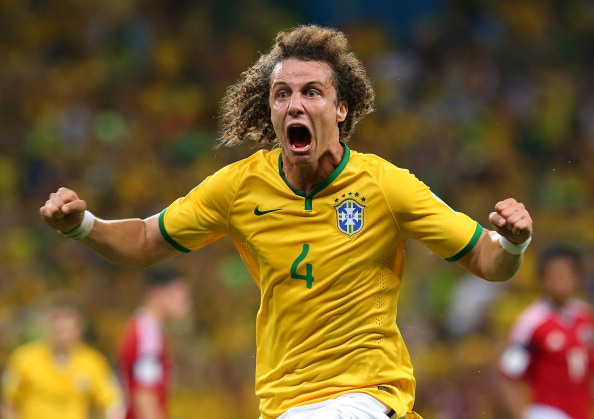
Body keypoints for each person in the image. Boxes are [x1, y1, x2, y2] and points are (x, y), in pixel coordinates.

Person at [39, 25, 533, 419]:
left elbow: (484, 259)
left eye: (312, 92)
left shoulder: (386, 185)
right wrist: (84, 225)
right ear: (271, 110)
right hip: (283, 403)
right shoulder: (238, 188)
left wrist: (510, 244)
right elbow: (147, 239)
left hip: (366, 395)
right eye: (282, 94)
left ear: (341, 109)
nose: (294, 103)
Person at [498, 246, 593, 419]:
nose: (558, 282)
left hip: (581, 412)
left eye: (563, 276)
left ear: (576, 278)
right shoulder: (531, 323)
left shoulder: (585, 319)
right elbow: (509, 374)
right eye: (553, 276)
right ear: (541, 279)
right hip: (546, 411)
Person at [1, 298, 123, 419]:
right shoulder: (24, 358)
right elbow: (8, 401)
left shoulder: (92, 362)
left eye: (67, 330)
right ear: (50, 327)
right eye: (59, 330)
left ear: (79, 329)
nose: (63, 336)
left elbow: (111, 404)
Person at [117, 268, 191, 419]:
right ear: (157, 294)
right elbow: (144, 395)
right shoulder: (148, 335)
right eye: (181, 296)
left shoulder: (146, 330)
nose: (187, 303)